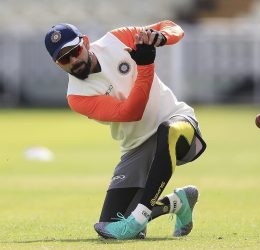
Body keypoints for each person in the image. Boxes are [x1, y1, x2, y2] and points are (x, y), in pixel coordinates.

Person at [44, 20, 206, 240]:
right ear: (57, 64)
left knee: (167, 131)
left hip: (179, 123)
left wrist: (161, 38)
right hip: (136, 147)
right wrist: (146, 66)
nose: (73, 60)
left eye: (75, 51)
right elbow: (132, 112)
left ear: (86, 43)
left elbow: (171, 27)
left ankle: (139, 217)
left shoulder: (117, 39)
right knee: (110, 225)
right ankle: (178, 202)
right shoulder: (77, 96)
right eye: (64, 58)